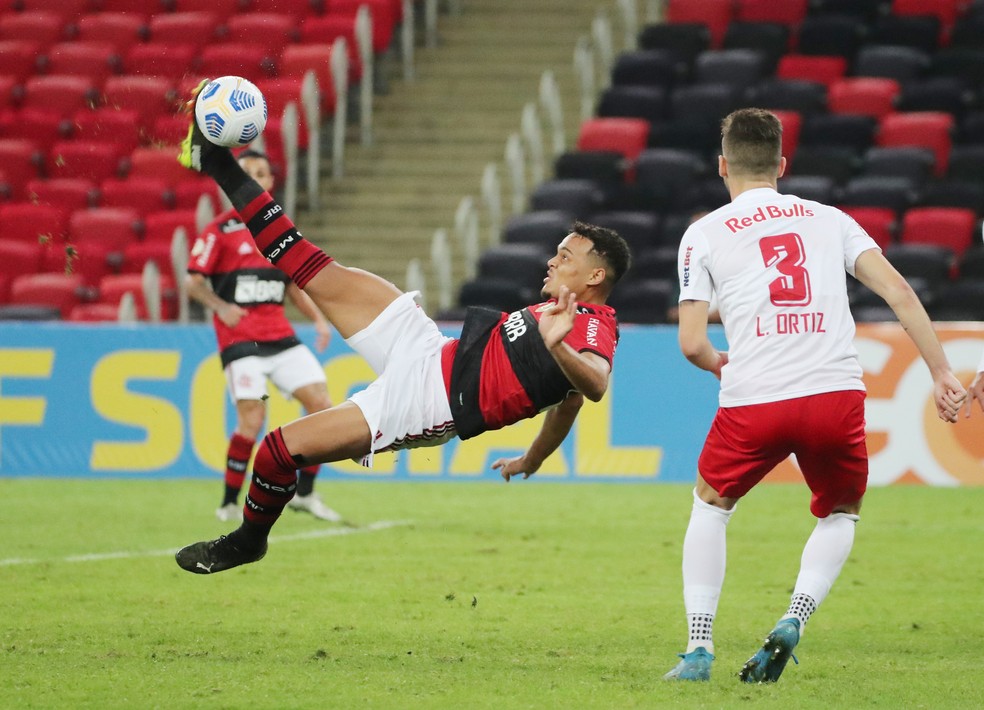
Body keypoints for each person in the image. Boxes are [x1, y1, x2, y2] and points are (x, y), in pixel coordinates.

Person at [172, 80, 632, 575]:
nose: (552, 261)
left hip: (428, 402)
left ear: (595, 277)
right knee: (309, 264)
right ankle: (215, 160)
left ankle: (248, 541)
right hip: (429, 347)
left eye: (565, 257)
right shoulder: (559, 313)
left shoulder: (593, 324)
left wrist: (558, 349)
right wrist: (532, 460)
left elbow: (595, 383)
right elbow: (569, 403)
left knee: (278, 451)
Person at [663, 108, 966, 683]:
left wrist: (722, 365)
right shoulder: (831, 219)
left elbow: (691, 343)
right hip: (834, 393)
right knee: (841, 512)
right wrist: (941, 371)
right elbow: (899, 291)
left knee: (711, 505)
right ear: (782, 164)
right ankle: (793, 618)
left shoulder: (702, 233)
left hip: (755, 396)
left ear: (722, 165)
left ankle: (699, 648)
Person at [186, 149, 342, 524]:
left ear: (271, 182)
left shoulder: (280, 231)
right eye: (247, 173)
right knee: (252, 420)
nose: (255, 180)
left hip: (281, 337)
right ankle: (228, 503)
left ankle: (305, 494)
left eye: (261, 173)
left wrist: (319, 319)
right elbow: (192, 282)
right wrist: (220, 306)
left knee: (323, 406)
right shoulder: (219, 231)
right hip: (242, 341)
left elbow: (291, 286)